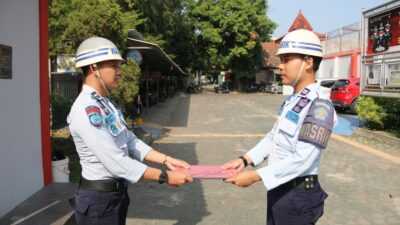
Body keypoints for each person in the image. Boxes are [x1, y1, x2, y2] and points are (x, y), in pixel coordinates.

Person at [67, 36, 193, 225]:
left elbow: (130, 141)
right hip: (98, 202)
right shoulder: (85, 109)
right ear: (94, 68)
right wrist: (164, 176)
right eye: (114, 66)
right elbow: (116, 161)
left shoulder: (105, 104)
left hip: (115, 196)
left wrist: (167, 160)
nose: (119, 72)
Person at [223, 29, 337, 225]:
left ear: (308, 62)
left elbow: (304, 158)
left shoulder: (320, 106)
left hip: (298, 196)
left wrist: (256, 176)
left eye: (286, 59)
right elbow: (274, 137)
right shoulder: (293, 100)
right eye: (280, 60)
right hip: (279, 188)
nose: (280, 66)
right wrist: (245, 160)